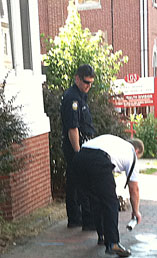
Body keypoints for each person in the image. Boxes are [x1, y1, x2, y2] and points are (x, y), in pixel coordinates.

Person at [69, 135, 144, 258]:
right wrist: (136, 211)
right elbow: (134, 189)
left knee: (96, 199)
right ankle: (113, 243)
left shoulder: (115, 142)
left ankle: (102, 235)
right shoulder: (132, 155)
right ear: (137, 151)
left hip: (79, 158)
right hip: (98, 160)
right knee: (111, 203)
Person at [61, 64, 97, 229]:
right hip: (77, 146)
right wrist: (77, 153)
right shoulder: (72, 99)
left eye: (90, 83)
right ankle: (82, 218)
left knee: (75, 182)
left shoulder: (81, 95)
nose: (88, 86)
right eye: (85, 82)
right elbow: (73, 128)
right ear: (77, 78)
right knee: (81, 183)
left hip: (84, 144)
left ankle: (76, 218)